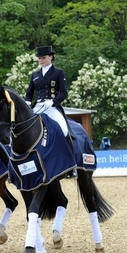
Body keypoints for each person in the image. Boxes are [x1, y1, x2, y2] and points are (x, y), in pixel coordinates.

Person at [24, 45, 75, 176]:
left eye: (43, 57)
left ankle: (72, 164)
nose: (41, 60)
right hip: (38, 107)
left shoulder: (58, 72)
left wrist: (52, 101)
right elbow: (29, 93)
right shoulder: (35, 75)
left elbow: (64, 93)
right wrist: (27, 101)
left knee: (64, 129)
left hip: (51, 107)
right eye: (39, 58)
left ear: (50, 57)